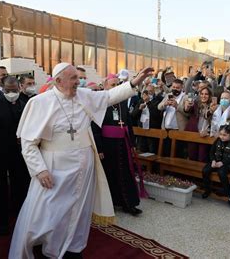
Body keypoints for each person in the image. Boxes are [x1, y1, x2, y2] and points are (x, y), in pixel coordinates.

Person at [9, 63, 153, 258]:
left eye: (78, 77)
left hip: (84, 167)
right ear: (58, 81)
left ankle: (73, 247)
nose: (79, 82)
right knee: (49, 211)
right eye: (73, 78)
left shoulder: (84, 95)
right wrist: (39, 170)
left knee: (79, 210)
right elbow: (28, 143)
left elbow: (109, 96)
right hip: (54, 168)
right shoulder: (40, 102)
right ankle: (47, 247)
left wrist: (135, 82)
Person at [0, 76, 30, 235]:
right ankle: (2, 221)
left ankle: (21, 218)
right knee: (0, 189)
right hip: (0, 154)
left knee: (21, 186)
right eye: (8, 90)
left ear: (19, 88)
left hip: (20, 155)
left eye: (14, 90)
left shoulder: (24, 105)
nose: (12, 93)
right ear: (2, 89)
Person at [92, 75, 144, 216]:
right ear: (105, 85)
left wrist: (132, 143)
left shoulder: (122, 102)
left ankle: (129, 204)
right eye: (112, 85)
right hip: (107, 145)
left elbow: (128, 124)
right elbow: (95, 127)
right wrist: (99, 148)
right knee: (110, 174)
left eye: (117, 85)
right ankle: (110, 204)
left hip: (122, 143)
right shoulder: (100, 102)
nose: (115, 87)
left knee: (125, 173)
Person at [201, 125, 230, 198]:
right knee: (205, 170)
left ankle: (227, 190)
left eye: (224, 135)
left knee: (221, 172)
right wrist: (213, 160)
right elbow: (211, 152)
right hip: (215, 161)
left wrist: (223, 163)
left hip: (227, 164)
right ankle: (207, 189)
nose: (222, 137)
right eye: (220, 134)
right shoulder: (217, 141)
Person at [184, 87, 217, 162]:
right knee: (192, 156)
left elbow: (213, 120)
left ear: (210, 95)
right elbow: (187, 110)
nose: (204, 96)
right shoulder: (195, 103)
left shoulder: (213, 106)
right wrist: (187, 106)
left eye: (206, 94)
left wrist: (208, 131)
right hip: (193, 133)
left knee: (202, 157)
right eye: (202, 94)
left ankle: (200, 173)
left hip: (205, 134)